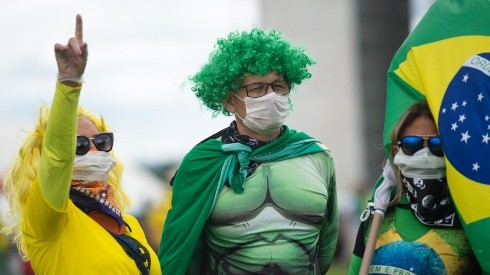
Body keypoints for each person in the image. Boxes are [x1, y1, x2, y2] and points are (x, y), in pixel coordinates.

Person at [158, 28, 339, 274]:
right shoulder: (202, 162)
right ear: (229, 100)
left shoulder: (317, 155)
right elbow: (183, 254)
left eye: (278, 85)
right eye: (256, 88)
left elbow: (327, 242)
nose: (271, 95)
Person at [0, 14, 161, 274]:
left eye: (101, 141)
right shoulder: (48, 220)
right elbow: (56, 157)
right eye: (79, 146)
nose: (94, 150)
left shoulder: (129, 224)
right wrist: (69, 84)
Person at [348, 101, 480, 274]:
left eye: (436, 144)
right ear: (396, 152)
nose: (424, 153)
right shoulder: (377, 217)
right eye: (412, 144)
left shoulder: (471, 220)